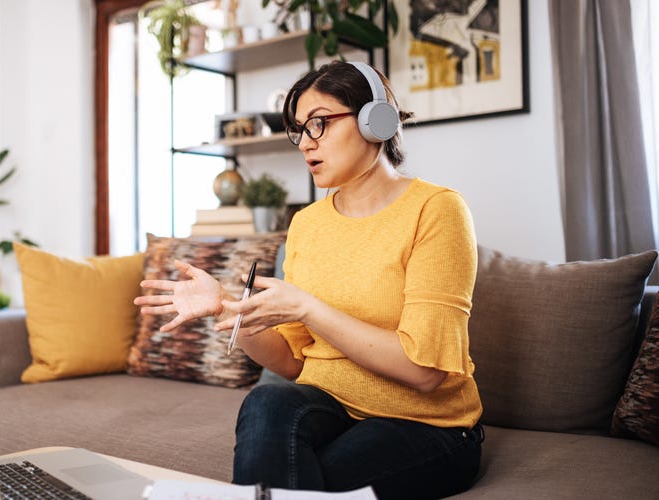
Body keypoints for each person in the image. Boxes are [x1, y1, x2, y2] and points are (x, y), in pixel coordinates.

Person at [134, 60, 483, 499]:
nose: (305, 144)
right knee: (266, 401)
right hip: (331, 408)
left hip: (429, 425)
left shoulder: (437, 210)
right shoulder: (307, 225)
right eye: (299, 130)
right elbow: (292, 362)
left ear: (375, 120)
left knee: (304, 484)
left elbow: (424, 372)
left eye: (319, 124)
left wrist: (308, 308)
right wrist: (228, 309)